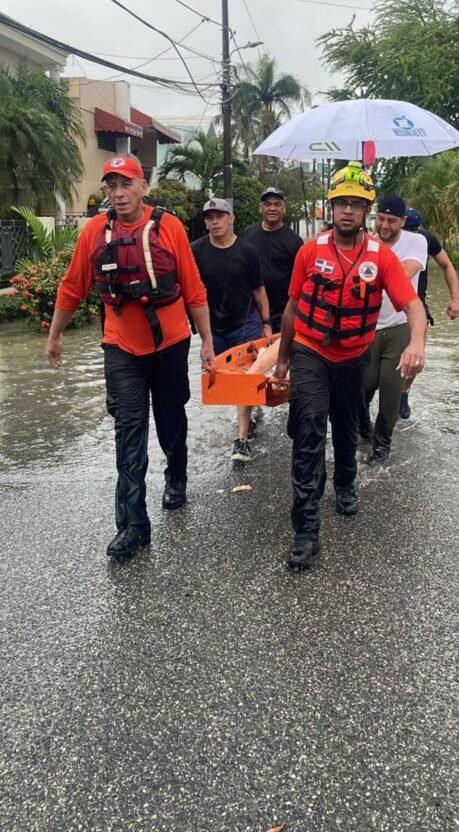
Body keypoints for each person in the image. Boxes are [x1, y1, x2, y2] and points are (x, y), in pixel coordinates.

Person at [46, 155, 215, 560]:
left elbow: (193, 288)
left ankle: (176, 476)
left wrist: (207, 342)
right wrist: (55, 336)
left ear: (142, 187)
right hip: (121, 347)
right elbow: (72, 287)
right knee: (129, 433)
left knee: (171, 419)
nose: (118, 194)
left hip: (171, 343)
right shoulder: (94, 233)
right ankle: (133, 526)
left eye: (126, 185)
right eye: (111, 186)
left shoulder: (168, 226)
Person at [275, 164, 427, 571]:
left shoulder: (382, 257)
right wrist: (283, 359)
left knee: (346, 426)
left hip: (353, 355)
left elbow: (412, 305)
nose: (347, 211)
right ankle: (305, 530)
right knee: (308, 429)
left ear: (366, 211)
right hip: (310, 350)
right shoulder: (310, 251)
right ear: (332, 206)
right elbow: (291, 307)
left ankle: (345, 483)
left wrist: (417, 342)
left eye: (355, 205)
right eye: (341, 203)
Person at [192, 198, 272, 463]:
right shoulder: (197, 251)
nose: (214, 222)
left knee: (245, 379)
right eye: (209, 218)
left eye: (219, 216)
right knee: (221, 379)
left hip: (246, 322)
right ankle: (248, 414)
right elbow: (189, 291)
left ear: (231, 218)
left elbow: (259, 290)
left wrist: (267, 323)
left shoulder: (247, 251)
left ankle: (241, 439)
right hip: (213, 327)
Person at [362, 195, 429, 463]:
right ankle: (361, 425)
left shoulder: (417, 241)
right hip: (367, 325)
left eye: (391, 220)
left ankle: (382, 445)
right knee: (363, 387)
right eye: (380, 219)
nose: (385, 225)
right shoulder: (363, 241)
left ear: (403, 221)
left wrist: (376, 253)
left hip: (399, 323)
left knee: (391, 387)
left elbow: (404, 272)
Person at [399, 206, 459, 419]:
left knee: (417, 354)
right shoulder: (383, 238)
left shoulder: (426, 239)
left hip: (416, 303)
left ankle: (403, 393)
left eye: (414, 232)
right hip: (385, 303)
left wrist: (455, 299)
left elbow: (446, 265)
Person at [243, 187, 303, 334]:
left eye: (277, 204)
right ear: (260, 208)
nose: (272, 208)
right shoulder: (249, 234)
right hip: (253, 313)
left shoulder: (294, 241)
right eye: (268, 204)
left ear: (284, 209)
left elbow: (300, 280)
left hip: (283, 312)